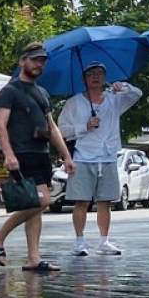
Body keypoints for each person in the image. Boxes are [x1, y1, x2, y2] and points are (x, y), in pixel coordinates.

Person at [0, 43, 75, 273]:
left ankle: (33, 257)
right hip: (21, 154)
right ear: (22, 61)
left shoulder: (42, 93)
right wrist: (8, 154)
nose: (38, 64)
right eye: (34, 60)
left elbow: (52, 127)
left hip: (41, 154)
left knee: (36, 206)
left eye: (42, 61)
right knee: (42, 201)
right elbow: (0, 125)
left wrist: (66, 156)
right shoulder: (10, 91)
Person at [56, 61, 140, 257]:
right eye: (91, 73)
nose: (96, 76)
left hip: (108, 156)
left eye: (100, 73)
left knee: (105, 202)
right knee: (81, 201)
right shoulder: (74, 103)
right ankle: (79, 241)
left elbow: (137, 94)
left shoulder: (114, 99)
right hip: (83, 157)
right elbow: (62, 130)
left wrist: (122, 86)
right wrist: (85, 126)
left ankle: (104, 241)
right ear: (83, 78)